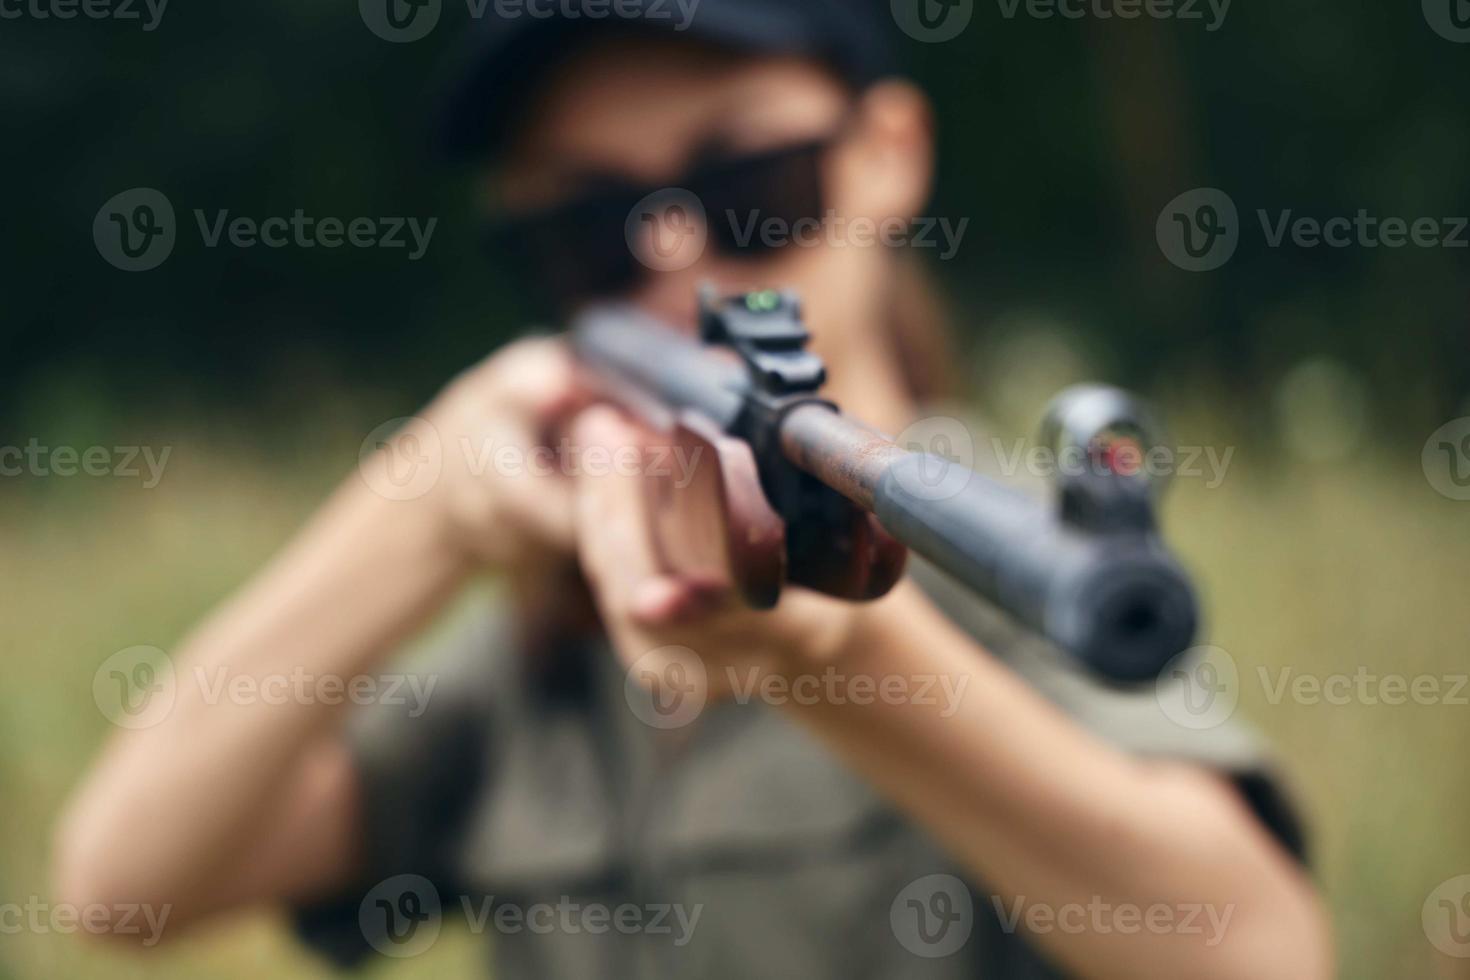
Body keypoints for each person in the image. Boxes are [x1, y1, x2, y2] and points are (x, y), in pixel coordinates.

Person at [53, 1, 1331, 977]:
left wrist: (845, 661)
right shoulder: (538, 638)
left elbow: (1260, 949)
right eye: (588, 228)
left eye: (746, 187)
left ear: (888, 154)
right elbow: (124, 881)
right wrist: (421, 507)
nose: (676, 260)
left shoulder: (994, 542)